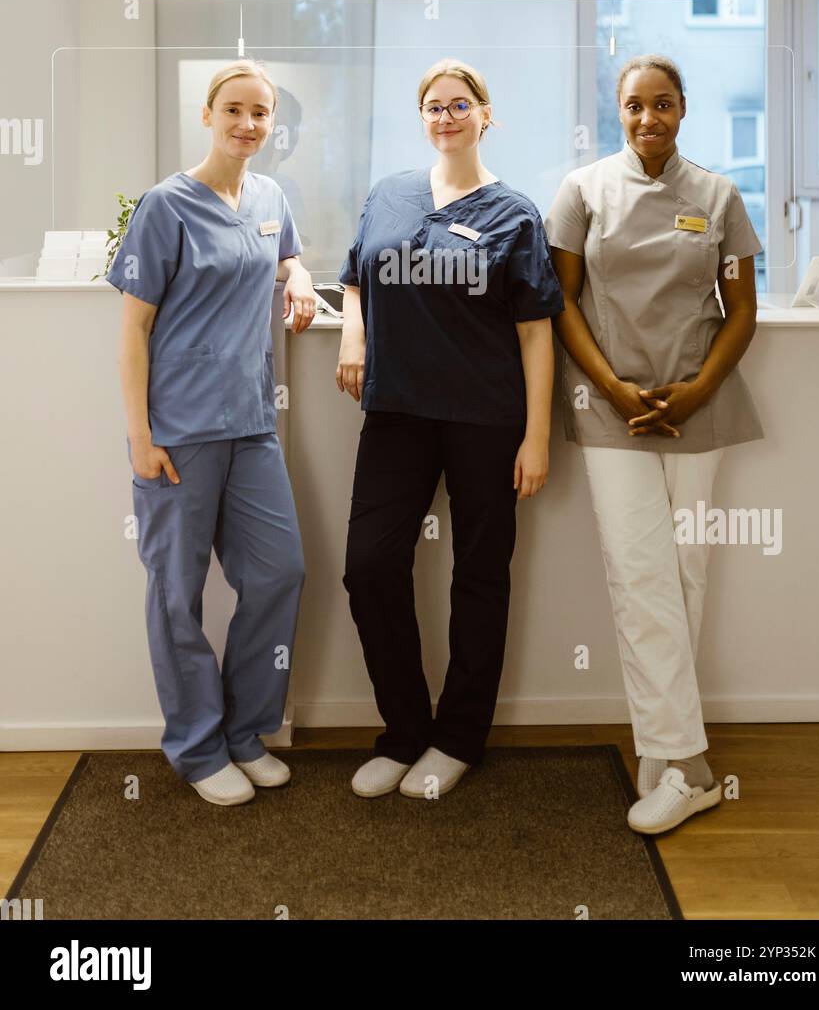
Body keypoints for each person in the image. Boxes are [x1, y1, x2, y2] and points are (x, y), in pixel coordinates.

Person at [545, 54, 764, 836]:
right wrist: (609, 386)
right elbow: (561, 300)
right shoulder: (581, 192)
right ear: (618, 110)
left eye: (663, 104)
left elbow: (741, 307)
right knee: (641, 576)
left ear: (683, 108)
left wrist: (701, 386)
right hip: (613, 410)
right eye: (635, 106)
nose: (649, 118)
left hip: (697, 404)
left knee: (684, 576)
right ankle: (693, 768)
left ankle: (664, 748)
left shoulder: (719, 195)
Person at [336, 58, 564, 799]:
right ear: (422, 118)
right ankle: (403, 733)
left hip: (486, 420)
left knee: (479, 578)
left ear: (485, 115)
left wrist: (537, 436)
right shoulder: (390, 194)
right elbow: (355, 276)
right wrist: (352, 336)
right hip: (397, 412)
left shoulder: (515, 214)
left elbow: (536, 334)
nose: (445, 116)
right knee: (369, 567)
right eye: (433, 106)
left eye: (459, 104)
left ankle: (458, 737)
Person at [106, 59, 316, 807]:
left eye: (260, 113)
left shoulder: (268, 196)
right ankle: (196, 748)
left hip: (251, 422)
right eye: (234, 110)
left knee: (279, 572)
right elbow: (133, 328)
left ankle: (246, 730)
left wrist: (296, 274)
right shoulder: (166, 207)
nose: (248, 124)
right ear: (208, 115)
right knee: (177, 593)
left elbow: (283, 252)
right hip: (179, 431)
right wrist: (140, 434)